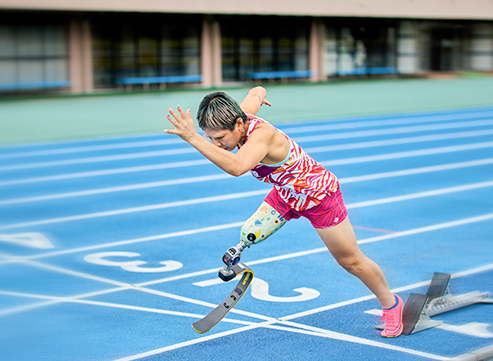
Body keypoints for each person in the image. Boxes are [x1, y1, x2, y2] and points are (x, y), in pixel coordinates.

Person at [164, 86, 403, 337]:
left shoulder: (262, 135)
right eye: (210, 138)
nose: (217, 144)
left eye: (220, 138)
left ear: (238, 124)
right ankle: (238, 253)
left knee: (351, 261)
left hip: (318, 195)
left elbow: (236, 167)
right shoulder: (241, 114)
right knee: (249, 233)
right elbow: (256, 91)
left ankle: (391, 304)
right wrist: (260, 94)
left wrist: (193, 138)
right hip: (286, 194)